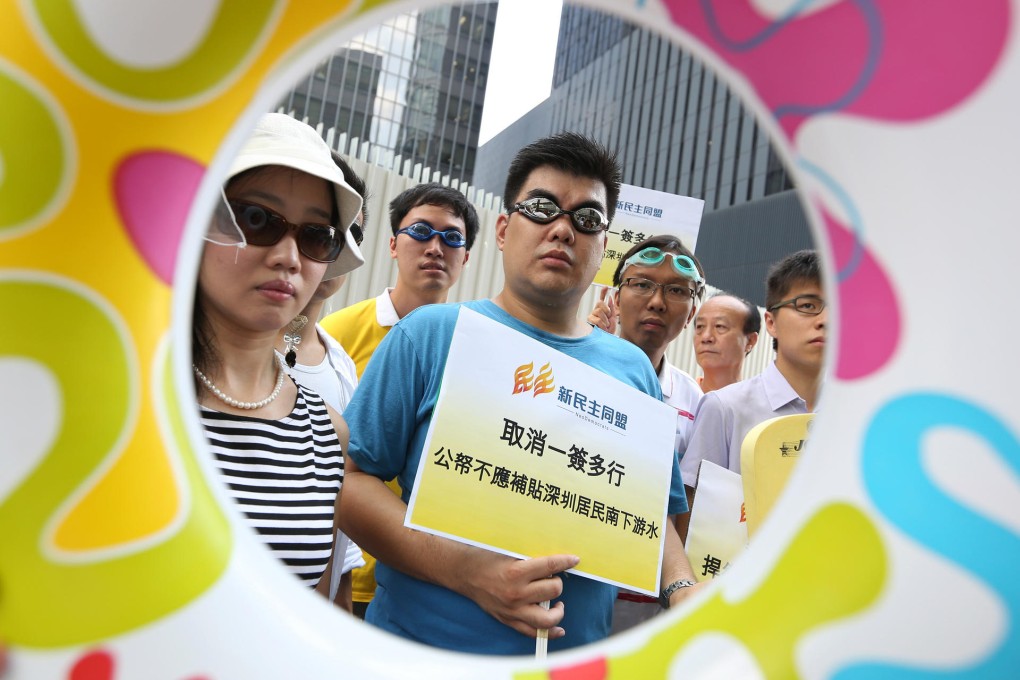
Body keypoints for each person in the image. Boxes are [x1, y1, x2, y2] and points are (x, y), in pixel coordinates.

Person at [338, 132, 703, 655]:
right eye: (542, 208)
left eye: (587, 219)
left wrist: (681, 587)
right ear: (505, 230)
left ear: (603, 247)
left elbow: (652, 515)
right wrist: (467, 573)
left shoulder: (633, 370)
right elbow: (351, 483)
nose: (562, 229)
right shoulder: (430, 333)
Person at [194, 112, 363, 595]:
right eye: (256, 219)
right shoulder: (126, 384)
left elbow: (314, 606)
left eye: (316, 235)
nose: (289, 256)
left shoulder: (328, 431)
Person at [320, 181, 480, 617]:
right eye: (421, 231)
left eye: (452, 237)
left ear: (465, 257)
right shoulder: (335, 336)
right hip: (335, 566)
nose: (435, 246)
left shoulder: (479, 347)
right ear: (393, 245)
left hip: (422, 576)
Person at [587, 235, 706, 633]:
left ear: (690, 313)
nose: (657, 301)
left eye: (677, 291)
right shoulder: (571, 368)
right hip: (570, 588)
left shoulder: (695, 400)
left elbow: (681, 508)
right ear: (615, 299)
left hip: (647, 603)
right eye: (642, 284)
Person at [272, 152, 370, 610]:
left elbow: (337, 513)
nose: (337, 246)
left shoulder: (340, 365)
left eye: (348, 234)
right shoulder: (240, 349)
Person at [679, 250, 825, 522]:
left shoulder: (855, 415)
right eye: (807, 306)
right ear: (771, 322)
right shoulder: (724, 408)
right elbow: (692, 517)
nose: (824, 320)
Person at [693, 293, 760, 393]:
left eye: (720, 326)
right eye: (700, 326)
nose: (706, 337)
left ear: (750, 340)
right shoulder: (678, 397)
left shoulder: (757, 406)